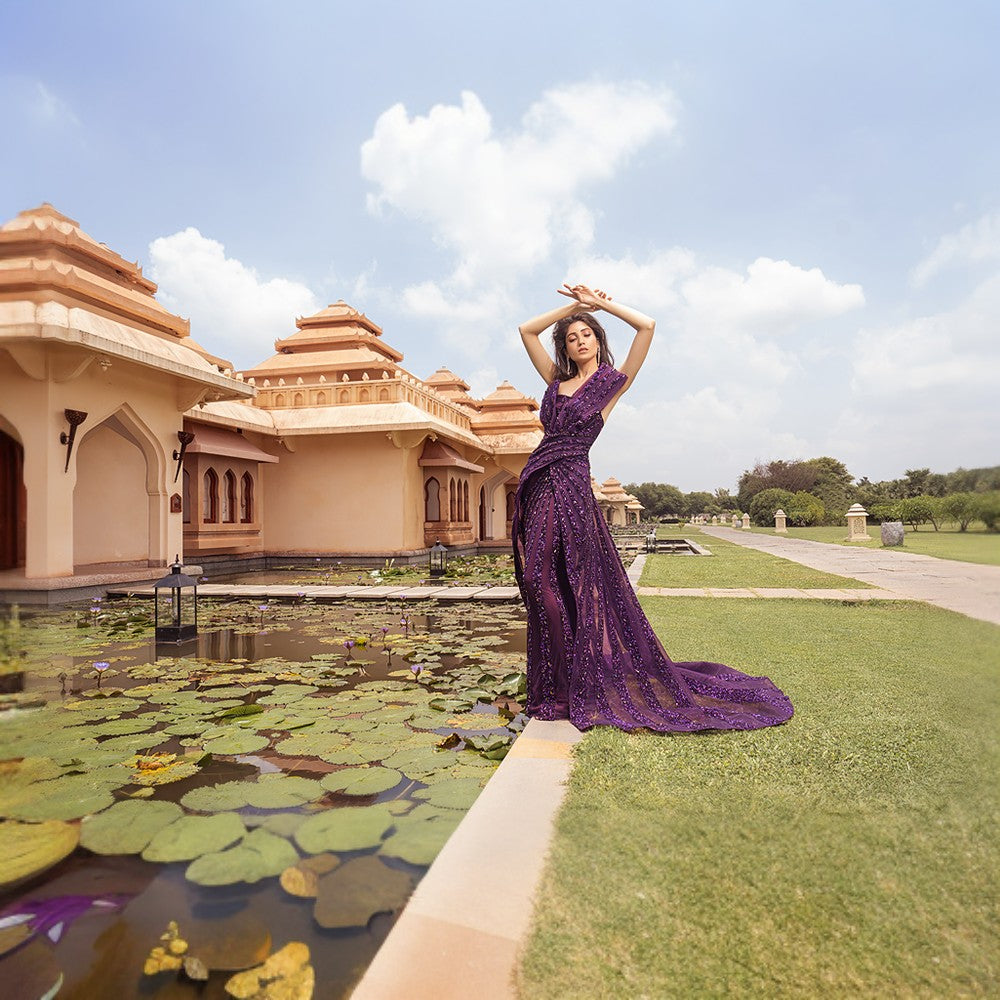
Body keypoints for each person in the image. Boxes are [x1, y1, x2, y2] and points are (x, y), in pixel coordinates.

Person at [512, 283, 793, 732]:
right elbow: (527, 330)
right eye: (571, 337)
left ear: (598, 340)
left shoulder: (610, 384)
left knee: (568, 581)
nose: (579, 340)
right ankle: (559, 681)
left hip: (572, 487)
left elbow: (647, 326)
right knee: (538, 580)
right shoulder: (555, 383)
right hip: (540, 481)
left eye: (587, 334)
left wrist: (601, 304)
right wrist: (572, 307)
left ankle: (572, 685)